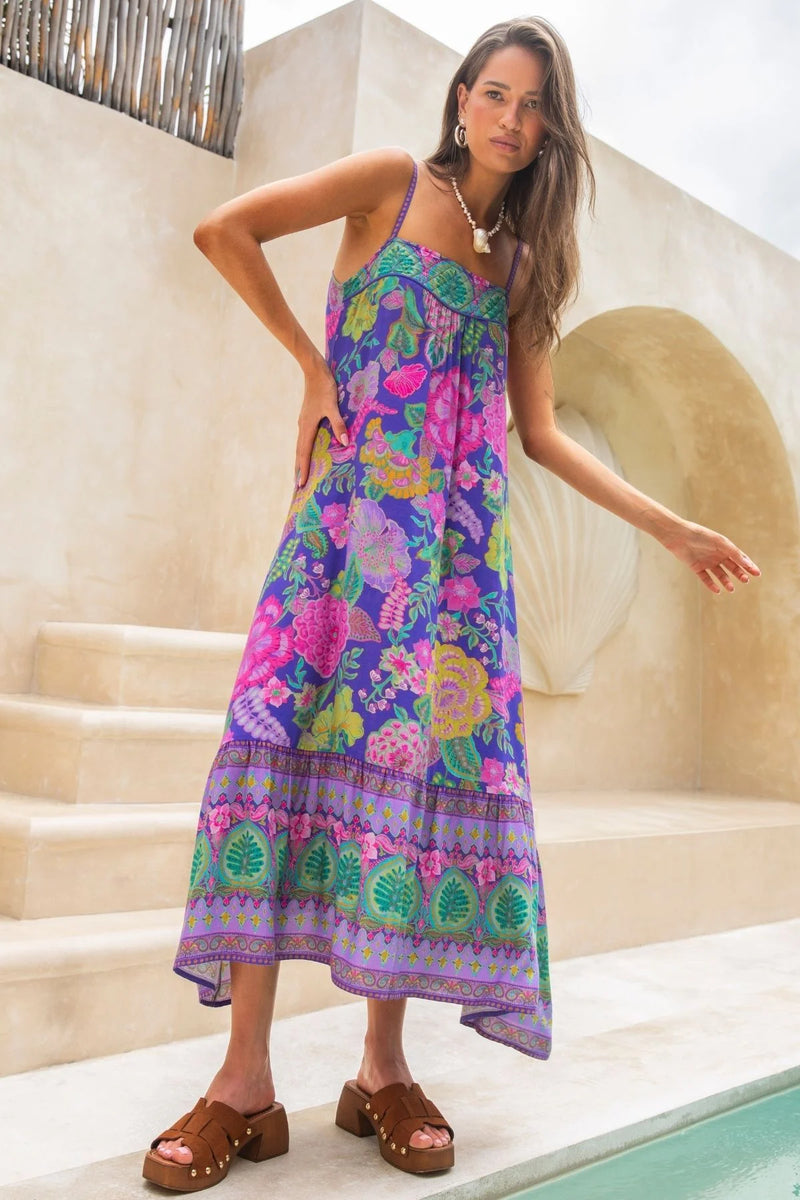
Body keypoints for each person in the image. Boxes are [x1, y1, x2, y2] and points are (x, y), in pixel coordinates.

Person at [142, 14, 761, 1193]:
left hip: (451, 576)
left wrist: (669, 527)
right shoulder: (387, 184)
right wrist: (311, 367)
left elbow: (541, 435)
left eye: (533, 107)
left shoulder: (519, 269)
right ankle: (243, 1085)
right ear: (462, 96)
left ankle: (380, 1071)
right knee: (273, 765)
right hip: (338, 546)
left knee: (411, 801)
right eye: (495, 94)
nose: (510, 120)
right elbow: (225, 230)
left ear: (549, 133)